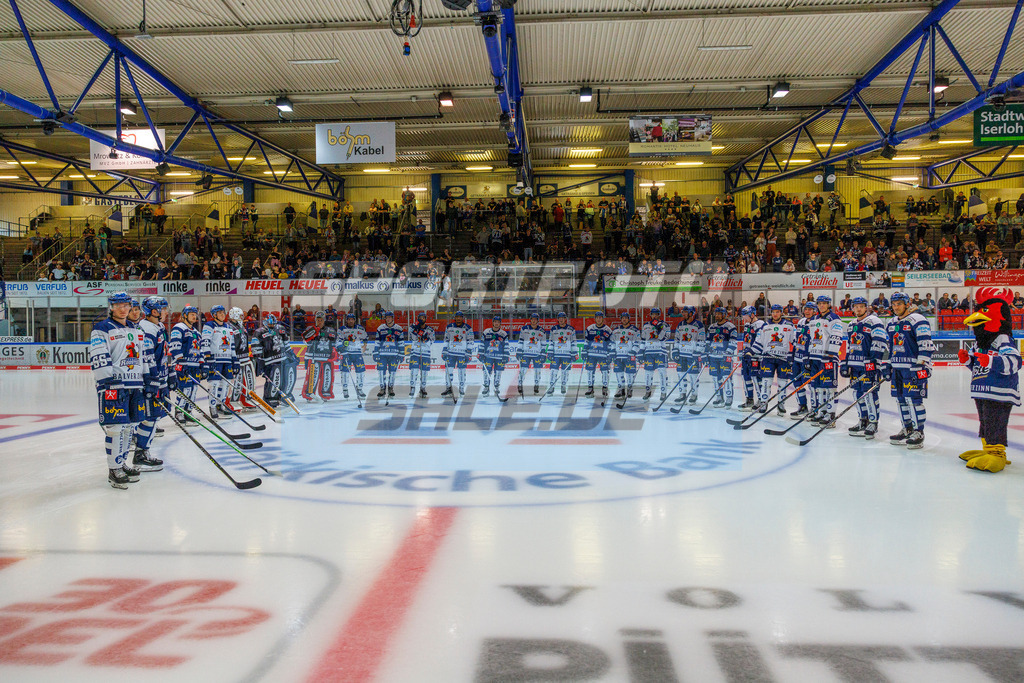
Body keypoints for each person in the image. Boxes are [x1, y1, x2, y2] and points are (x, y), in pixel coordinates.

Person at [957, 287, 1021, 472]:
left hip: (999, 391)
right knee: (985, 421)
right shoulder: (981, 342)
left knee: (995, 420)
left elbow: (1015, 361)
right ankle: (988, 449)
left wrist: (992, 360)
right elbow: (979, 367)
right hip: (983, 389)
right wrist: (968, 359)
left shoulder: (1002, 339)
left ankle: (997, 454)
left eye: (984, 311)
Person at [90, 292, 146, 489]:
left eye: (126, 305)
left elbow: (142, 357)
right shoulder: (102, 328)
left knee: (129, 427)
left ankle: (121, 463)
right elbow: (99, 355)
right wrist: (107, 380)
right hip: (114, 385)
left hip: (135, 384)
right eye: (118, 305)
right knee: (115, 428)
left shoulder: (135, 329)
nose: (123, 309)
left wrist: (146, 378)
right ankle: (114, 469)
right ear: (111, 307)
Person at [883, 291, 934, 448]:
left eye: (899, 304)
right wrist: (886, 365)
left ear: (907, 304)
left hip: (913, 368)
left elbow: (926, 344)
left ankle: (919, 431)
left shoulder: (918, 320)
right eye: (894, 304)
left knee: (914, 400)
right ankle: (907, 428)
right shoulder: (891, 323)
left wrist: (922, 364)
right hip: (897, 368)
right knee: (901, 400)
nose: (896, 307)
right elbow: (888, 347)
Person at [842, 297, 887, 439]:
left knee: (869, 394)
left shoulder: (875, 322)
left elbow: (879, 342)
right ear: (852, 308)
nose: (858, 309)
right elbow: (850, 346)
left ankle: (873, 421)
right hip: (855, 366)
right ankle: (863, 420)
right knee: (857, 394)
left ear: (866, 307)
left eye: (861, 306)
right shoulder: (850, 324)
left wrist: (873, 362)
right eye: (856, 307)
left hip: (869, 366)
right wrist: (845, 362)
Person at [134, 297, 169, 473]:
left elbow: (162, 355)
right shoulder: (146, 329)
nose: (166, 311)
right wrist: (153, 381)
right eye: (163, 308)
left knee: (155, 416)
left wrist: (170, 375)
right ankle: (140, 453)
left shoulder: (159, 327)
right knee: (150, 416)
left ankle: (143, 450)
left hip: (159, 378)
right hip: (149, 380)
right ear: (154, 311)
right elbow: (148, 359)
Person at [805, 295, 845, 425]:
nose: (822, 305)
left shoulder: (834, 319)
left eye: (824, 303)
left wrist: (831, 355)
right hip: (815, 357)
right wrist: (808, 357)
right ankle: (821, 411)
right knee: (818, 387)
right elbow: (811, 338)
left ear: (829, 305)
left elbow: (837, 337)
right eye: (820, 303)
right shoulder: (814, 319)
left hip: (828, 358)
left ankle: (831, 414)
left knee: (830, 387)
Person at [753, 304, 795, 415]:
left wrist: (795, 354)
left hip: (783, 358)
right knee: (766, 382)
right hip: (768, 357)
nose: (775, 314)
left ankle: (781, 404)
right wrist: (751, 352)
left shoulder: (789, 325)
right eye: (773, 312)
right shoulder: (765, 326)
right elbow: (758, 342)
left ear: (781, 312)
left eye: (777, 312)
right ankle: (763, 402)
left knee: (782, 383)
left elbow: (795, 341)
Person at [201, 305, 239, 419]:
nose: (223, 314)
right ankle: (212, 407)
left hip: (227, 360)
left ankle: (221, 405)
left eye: (223, 312)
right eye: (220, 312)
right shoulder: (209, 325)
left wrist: (235, 360)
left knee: (225, 384)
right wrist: (208, 357)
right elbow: (205, 341)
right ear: (214, 315)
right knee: (214, 384)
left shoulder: (228, 327)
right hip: (215, 360)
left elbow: (231, 345)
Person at [169, 304, 205, 423]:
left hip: (194, 365)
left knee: (194, 389)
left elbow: (200, 349)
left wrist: (202, 364)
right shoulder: (179, 327)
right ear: (185, 316)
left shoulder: (196, 332)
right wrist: (180, 360)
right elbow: (174, 345)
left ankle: (189, 411)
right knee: (185, 389)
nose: (194, 317)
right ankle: (179, 411)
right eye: (192, 315)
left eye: (195, 315)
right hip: (183, 364)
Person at [302, 310, 338, 402]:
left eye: (321, 320)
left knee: (327, 376)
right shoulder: (310, 329)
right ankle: (309, 394)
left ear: (324, 320)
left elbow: (335, 343)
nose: (319, 322)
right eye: (317, 320)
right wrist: (312, 334)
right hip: (314, 357)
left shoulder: (330, 330)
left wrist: (336, 351)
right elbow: (305, 341)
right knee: (312, 376)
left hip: (327, 358)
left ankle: (325, 393)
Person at [226, 307, 258, 412]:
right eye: (240, 315)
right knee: (235, 381)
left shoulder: (241, 327)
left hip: (245, 357)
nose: (242, 317)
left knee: (248, 380)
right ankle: (229, 401)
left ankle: (245, 399)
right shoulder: (229, 327)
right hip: (235, 358)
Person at [250, 314, 286, 406]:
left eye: (273, 324)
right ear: (265, 323)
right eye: (270, 324)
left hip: (279, 358)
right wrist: (258, 359)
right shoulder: (259, 332)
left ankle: (277, 397)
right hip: (267, 360)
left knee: (278, 379)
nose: (272, 326)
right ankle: (268, 398)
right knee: (270, 379)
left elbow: (285, 342)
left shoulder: (280, 328)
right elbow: (255, 346)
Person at [672, 306, 705, 404]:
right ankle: (682, 394)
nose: (683, 314)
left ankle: (694, 394)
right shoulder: (680, 324)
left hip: (692, 355)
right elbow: (677, 339)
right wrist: (675, 350)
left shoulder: (699, 325)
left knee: (693, 376)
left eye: (686, 312)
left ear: (691, 313)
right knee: (681, 374)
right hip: (682, 354)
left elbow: (702, 339)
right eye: (683, 312)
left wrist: (698, 351)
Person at [706, 307, 737, 407]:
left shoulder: (730, 326)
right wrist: (706, 351)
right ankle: (719, 396)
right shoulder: (712, 327)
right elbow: (707, 341)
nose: (717, 315)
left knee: (726, 377)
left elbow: (733, 341)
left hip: (725, 357)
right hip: (713, 357)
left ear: (724, 315)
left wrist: (728, 352)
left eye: (719, 314)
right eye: (716, 314)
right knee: (715, 377)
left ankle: (729, 397)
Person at [638, 307, 671, 401]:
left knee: (662, 372)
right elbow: (643, 339)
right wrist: (641, 351)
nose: (654, 316)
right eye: (653, 314)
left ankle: (663, 392)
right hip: (648, 352)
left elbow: (664, 338)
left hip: (660, 352)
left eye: (656, 314)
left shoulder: (665, 325)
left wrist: (660, 329)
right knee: (648, 373)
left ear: (659, 315)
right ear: (651, 315)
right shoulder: (646, 325)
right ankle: (648, 392)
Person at [738, 306, 766, 410]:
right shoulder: (746, 325)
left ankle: (760, 399)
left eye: (745, 316)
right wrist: (744, 351)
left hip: (756, 356)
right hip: (747, 355)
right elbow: (746, 339)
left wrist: (752, 351)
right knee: (746, 377)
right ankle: (749, 399)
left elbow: (760, 340)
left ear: (752, 314)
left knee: (756, 378)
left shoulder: (761, 324)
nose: (743, 318)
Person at [442, 310, 474, 398]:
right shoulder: (449, 327)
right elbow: (446, 340)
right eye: (457, 317)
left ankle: (461, 388)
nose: (459, 318)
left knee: (461, 372)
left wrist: (468, 353)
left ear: (462, 318)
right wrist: (444, 351)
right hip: (451, 353)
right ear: (455, 318)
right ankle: (449, 388)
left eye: (460, 317)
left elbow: (470, 341)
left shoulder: (468, 328)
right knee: (448, 371)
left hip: (462, 354)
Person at [336, 312, 368, 400]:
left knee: (361, 371)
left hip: (357, 353)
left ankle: (360, 389)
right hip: (346, 353)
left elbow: (366, 337)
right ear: (346, 320)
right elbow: (338, 341)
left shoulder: (360, 328)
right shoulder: (342, 329)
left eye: (352, 319)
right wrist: (341, 348)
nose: (350, 321)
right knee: (345, 372)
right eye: (349, 319)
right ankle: (345, 389)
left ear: (354, 320)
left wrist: (364, 345)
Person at [583, 311, 614, 398]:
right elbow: (586, 341)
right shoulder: (590, 328)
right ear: (595, 318)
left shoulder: (608, 330)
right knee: (590, 371)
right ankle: (590, 388)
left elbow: (610, 343)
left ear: (603, 319)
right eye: (597, 317)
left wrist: (609, 354)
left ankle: (604, 388)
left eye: (600, 317)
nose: (599, 319)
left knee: (605, 371)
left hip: (603, 355)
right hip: (591, 355)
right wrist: (584, 351)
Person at [373, 310, 403, 398]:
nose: (388, 319)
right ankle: (382, 388)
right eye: (386, 318)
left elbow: (401, 343)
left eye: (389, 317)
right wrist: (375, 353)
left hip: (394, 355)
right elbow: (377, 341)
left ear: (393, 318)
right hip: (382, 354)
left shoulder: (399, 328)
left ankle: (390, 388)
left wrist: (401, 354)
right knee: (381, 372)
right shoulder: (380, 328)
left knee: (393, 372)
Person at [546, 312, 577, 395]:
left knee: (565, 372)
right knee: (553, 371)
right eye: (559, 318)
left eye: (562, 318)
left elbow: (573, 342)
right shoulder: (553, 329)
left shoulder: (571, 329)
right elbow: (551, 342)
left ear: (565, 319)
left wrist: (574, 353)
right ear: (557, 319)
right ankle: (551, 386)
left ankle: (563, 385)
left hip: (567, 355)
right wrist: (550, 352)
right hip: (556, 354)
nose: (561, 319)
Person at [479, 317, 511, 398]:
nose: (496, 323)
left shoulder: (503, 334)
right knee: (486, 372)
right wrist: (480, 353)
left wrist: (506, 356)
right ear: (493, 323)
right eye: (495, 322)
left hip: (499, 357)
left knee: (498, 373)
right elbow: (482, 343)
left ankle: (496, 387)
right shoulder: (486, 332)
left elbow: (506, 346)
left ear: (500, 323)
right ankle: (486, 387)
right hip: (488, 356)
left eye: (498, 322)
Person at [516, 313, 547, 396]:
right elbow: (521, 340)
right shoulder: (524, 329)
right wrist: (519, 350)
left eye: (535, 319)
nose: (534, 321)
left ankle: (536, 386)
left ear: (538, 321)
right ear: (530, 320)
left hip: (537, 354)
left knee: (537, 371)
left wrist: (543, 354)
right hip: (525, 353)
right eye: (532, 319)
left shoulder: (542, 331)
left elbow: (544, 344)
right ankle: (520, 385)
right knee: (523, 370)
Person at [611, 311, 640, 399]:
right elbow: (612, 342)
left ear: (628, 319)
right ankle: (621, 389)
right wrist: (612, 351)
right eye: (622, 318)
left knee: (630, 373)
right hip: (618, 356)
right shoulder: (616, 330)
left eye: (626, 318)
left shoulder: (634, 330)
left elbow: (638, 342)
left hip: (629, 356)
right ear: (621, 319)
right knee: (619, 373)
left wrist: (634, 351)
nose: (624, 319)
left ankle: (630, 389)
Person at [407, 312, 435, 398]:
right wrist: (417, 330)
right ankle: (412, 387)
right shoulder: (413, 327)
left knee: (424, 372)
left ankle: (423, 388)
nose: (421, 319)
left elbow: (433, 340)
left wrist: (426, 339)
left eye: (423, 318)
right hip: (415, 352)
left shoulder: (430, 329)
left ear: (426, 319)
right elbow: (411, 335)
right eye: (420, 317)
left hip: (425, 352)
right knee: (414, 371)